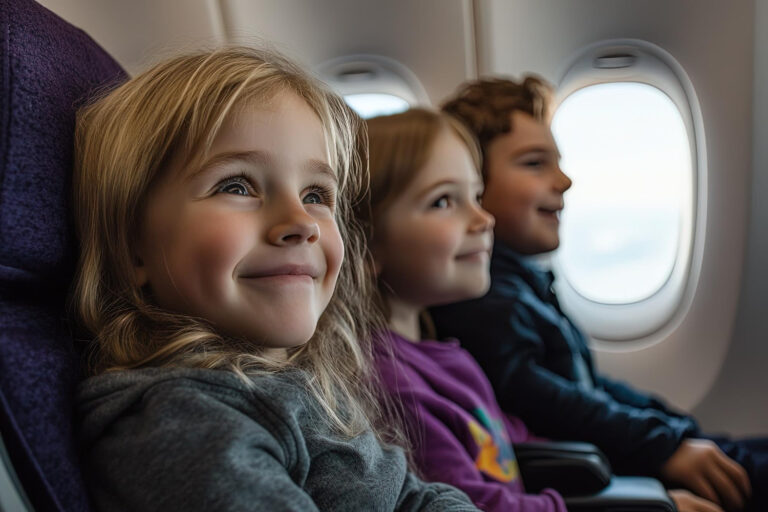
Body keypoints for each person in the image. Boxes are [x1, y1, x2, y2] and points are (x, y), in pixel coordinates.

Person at [71, 47, 480, 512]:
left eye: (315, 194)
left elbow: (414, 499)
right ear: (132, 246)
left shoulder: (304, 385)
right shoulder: (181, 424)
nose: (300, 221)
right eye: (237, 186)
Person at [430, 76, 768, 512]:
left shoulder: (520, 285)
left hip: (626, 453)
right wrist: (664, 445)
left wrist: (675, 427)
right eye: (535, 164)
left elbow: (588, 385)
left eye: (559, 162)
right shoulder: (481, 298)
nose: (565, 180)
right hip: (608, 470)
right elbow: (549, 402)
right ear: (472, 182)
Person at [355, 108, 568, 512]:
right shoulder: (389, 386)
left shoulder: (445, 356)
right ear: (365, 244)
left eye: (474, 195)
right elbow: (475, 504)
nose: (483, 218)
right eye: (443, 201)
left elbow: (509, 439)